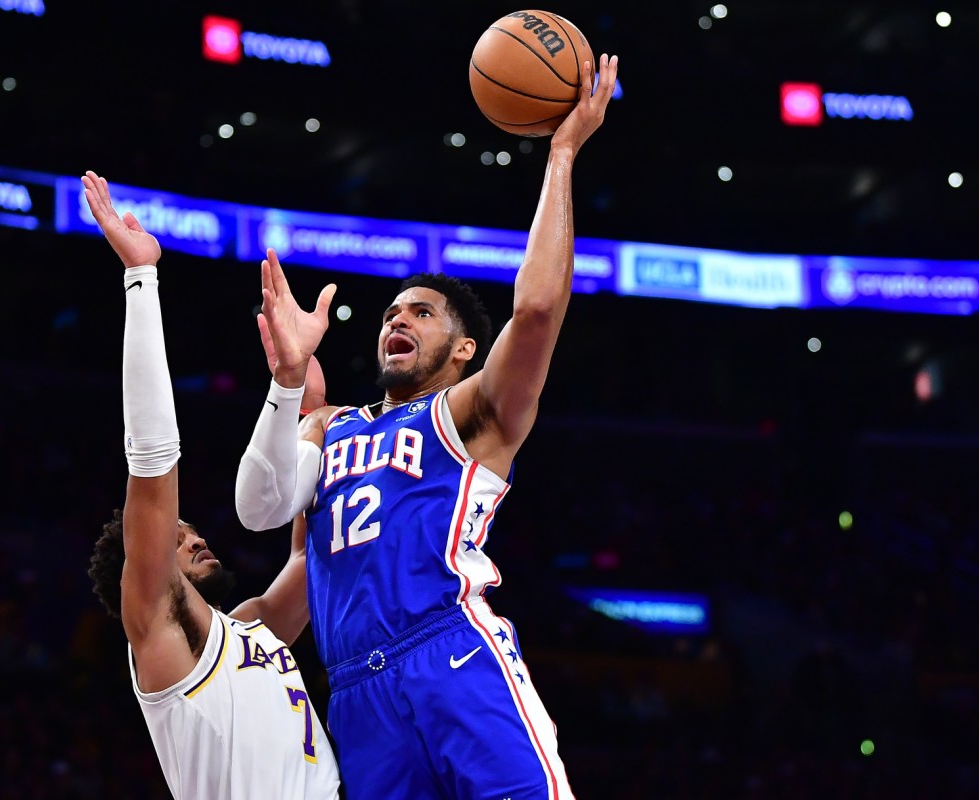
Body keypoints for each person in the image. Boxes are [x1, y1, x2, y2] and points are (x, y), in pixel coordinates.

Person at [234, 52, 619, 800]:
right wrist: (186, 641)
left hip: (450, 657)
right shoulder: (330, 427)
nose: (396, 321)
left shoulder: (471, 413)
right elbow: (283, 572)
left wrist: (562, 153)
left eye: (420, 313)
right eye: (389, 313)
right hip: (354, 697)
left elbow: (539, 309)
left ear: (465, 350)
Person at [80, 170, 341, 800]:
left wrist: (303, 404)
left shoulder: (253, 631)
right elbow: (152, 461)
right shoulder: (158, 626)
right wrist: (141, 279)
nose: (196, 539)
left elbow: (310, 556)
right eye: (177, 539)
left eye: (191, 531)